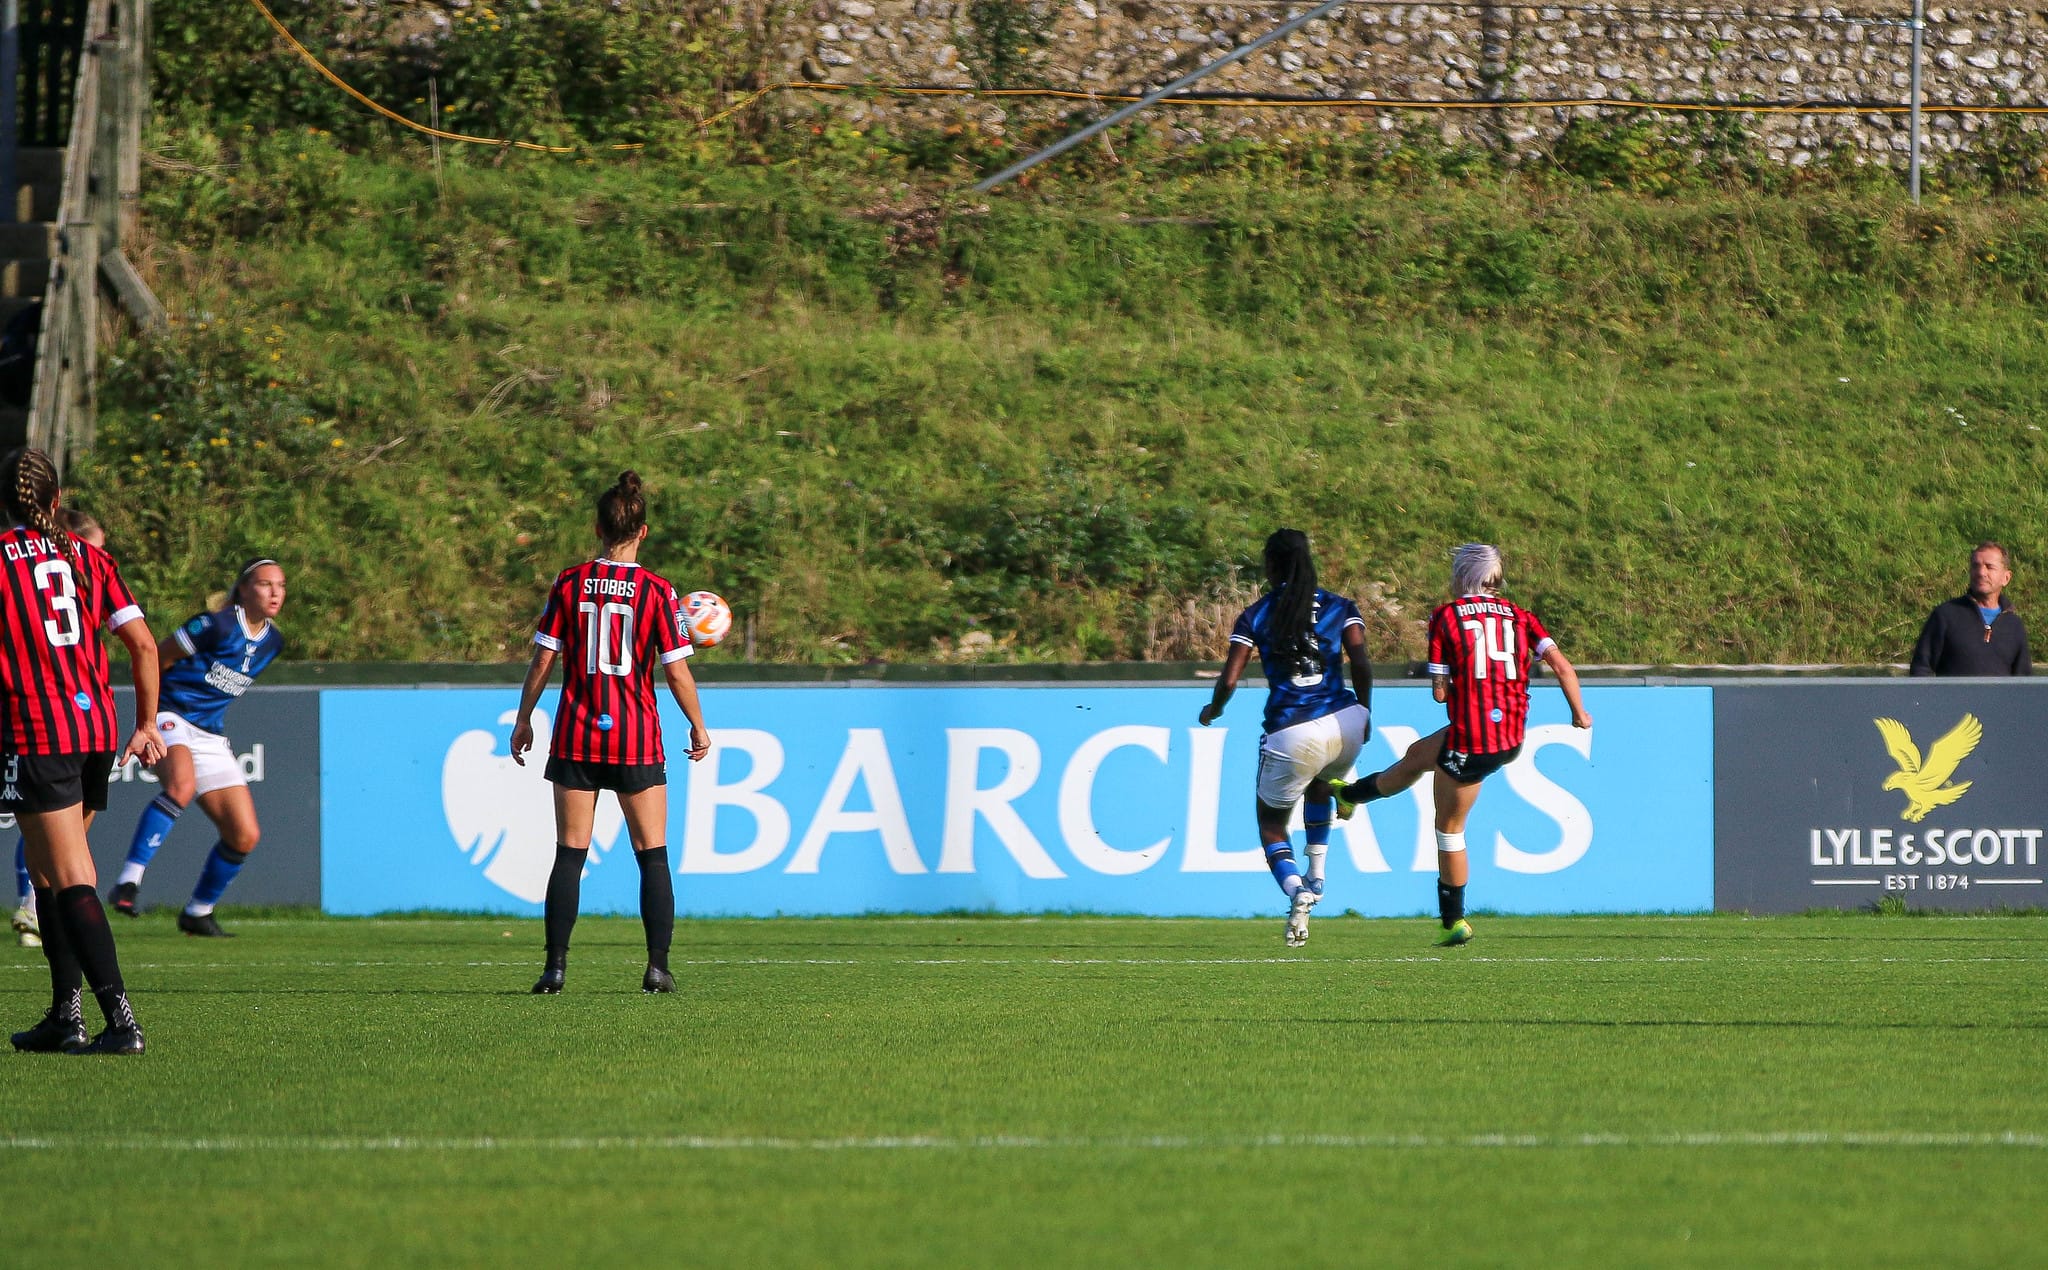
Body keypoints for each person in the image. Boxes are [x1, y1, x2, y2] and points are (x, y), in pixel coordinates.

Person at [509, 471, 711, 994]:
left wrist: (524, 717)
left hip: (577, 734)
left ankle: (555, 969)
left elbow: (543, 659)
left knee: (570, 852)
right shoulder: (658, 592)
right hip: (635, 738)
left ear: (597, 527)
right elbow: (676, 672)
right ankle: (657, 968)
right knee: (652, 854)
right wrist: (697, 725)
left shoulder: (569, 583)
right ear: (643, 532)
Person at [1336, 544, 1590, 947]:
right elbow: (1561, 666)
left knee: (1449, 828)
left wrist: (1463, 683)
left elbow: (1439, 692)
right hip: (1510, 733)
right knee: (1418, 756)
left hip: (1473, 738)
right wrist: (1579, 713)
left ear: (1462, 576)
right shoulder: (1521, 616)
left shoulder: (1446, 616)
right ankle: (1350, 795)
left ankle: (1453, 920)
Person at [1, 447, 166, 1054]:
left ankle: (121, 1023)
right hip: (94, 728)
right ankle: (63, 1016)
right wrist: (146, 724)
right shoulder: (88, 556)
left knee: (70, 875)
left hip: (36, 730)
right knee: (49, 873)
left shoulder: (0, 561)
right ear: (56, 499)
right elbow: (143, 645)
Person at [1198, 529, 1372, 948]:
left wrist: (1213, 709)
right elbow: (1361, 663)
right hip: (1346, 720)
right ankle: (1318, 874)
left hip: (1293, 729)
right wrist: (1366, 713)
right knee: (1320, 784)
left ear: (1271, 565)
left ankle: (1297, 890)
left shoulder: (1257, 614)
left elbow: (1230, 679)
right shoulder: (1340, 606)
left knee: (1272, 825)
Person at [105, 557, 287, 936]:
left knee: (244, 834)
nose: (274, 593)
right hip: (170, 714)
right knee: (181, 787)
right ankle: (128, 881)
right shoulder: (215, 625)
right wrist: (148, 721)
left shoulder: (273, 642)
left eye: (280, 586)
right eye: (264, 584)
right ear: (243, 589)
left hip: (209, 733)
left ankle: (198, 912)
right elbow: (158, 657)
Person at [11, 506, 104, 948]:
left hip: (56, 718)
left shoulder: (21, 567)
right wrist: (146, 721)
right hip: (83, 719)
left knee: (61, 848)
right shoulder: (80, 566)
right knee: (68, 855)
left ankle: (36, 909)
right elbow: (143, 644)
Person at [1909, 542, 2031, 677]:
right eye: (1975, 566)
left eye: (1989, 567)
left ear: (2006, 578)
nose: (1981, 572)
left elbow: (2023, 680)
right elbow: (1921, 669)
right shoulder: (1945, 616)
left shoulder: (2014, 625)